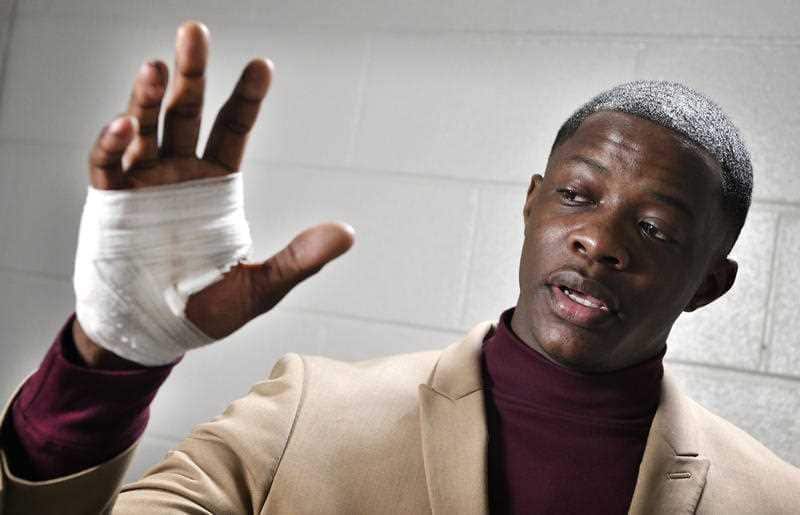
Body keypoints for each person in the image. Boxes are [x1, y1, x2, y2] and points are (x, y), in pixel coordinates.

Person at [0, 20, 798, 514]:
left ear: (707, 285)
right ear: (531, 205)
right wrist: (109, 361)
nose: (599, 240)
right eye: (577, 194)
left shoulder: (772, 500)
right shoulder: (307, 412)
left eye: (655, 228)